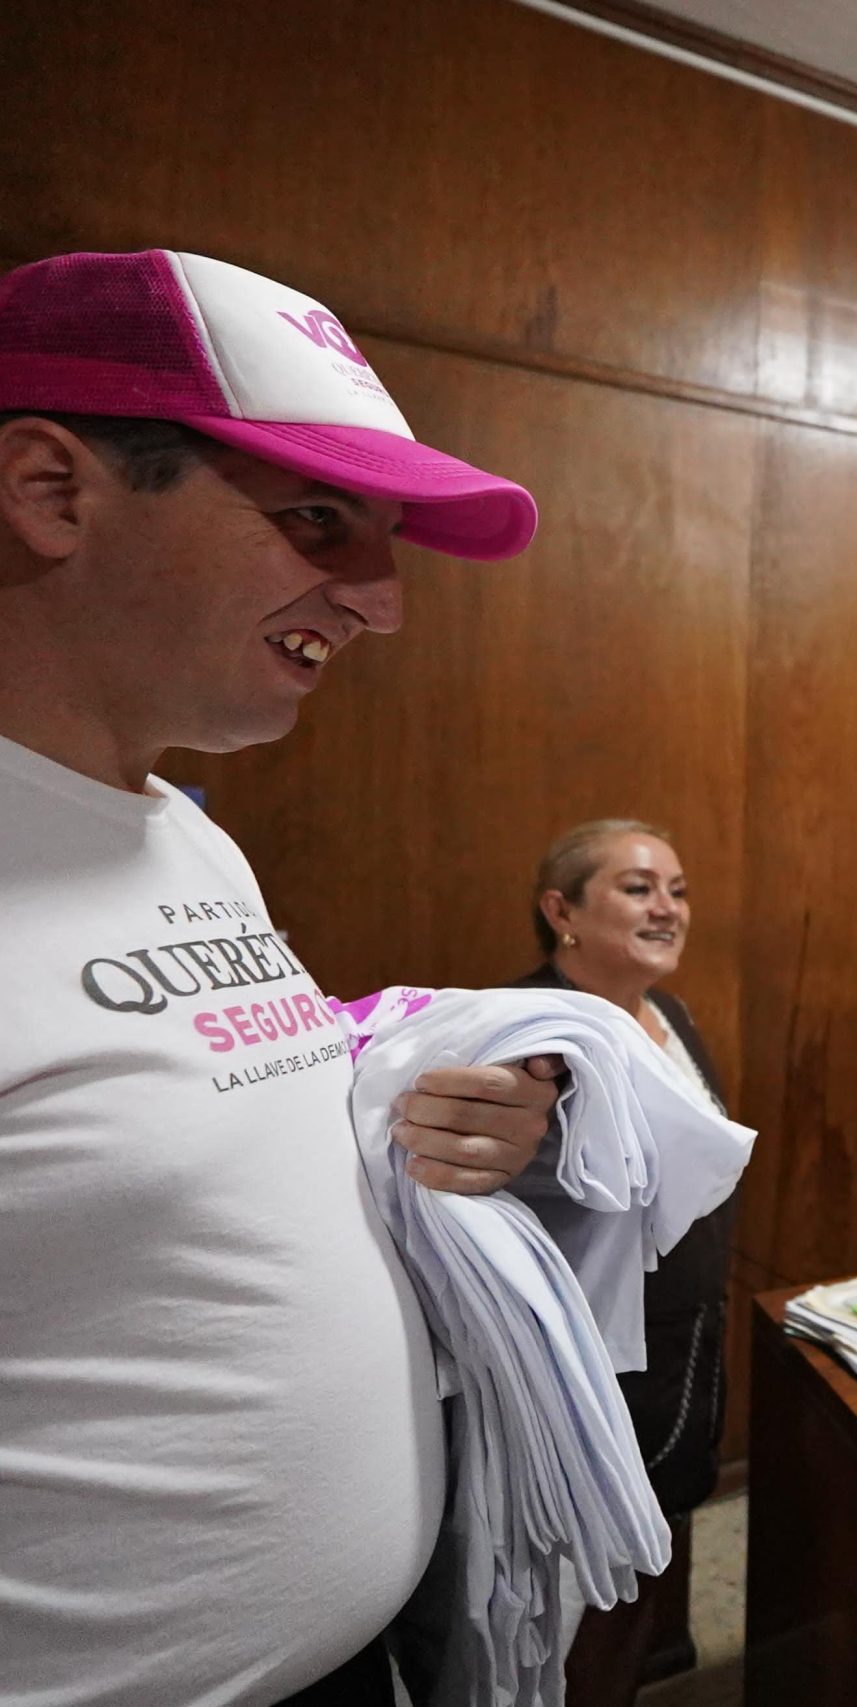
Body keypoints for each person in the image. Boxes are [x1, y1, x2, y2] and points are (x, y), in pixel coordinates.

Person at [0, 249, 566, 1706]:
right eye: (318, 520)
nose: (379, 600)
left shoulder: (185, 833)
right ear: (53, 490)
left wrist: (420, 1122)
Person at [512, 819, 735, 1700]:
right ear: (560, 908)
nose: (668, 908)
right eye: (639, 888)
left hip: (683, 1341)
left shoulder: (666, 1013)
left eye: (677, 890)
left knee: (652, 1557)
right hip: (590, 1359)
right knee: (583, 1591)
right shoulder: (528, 1032)